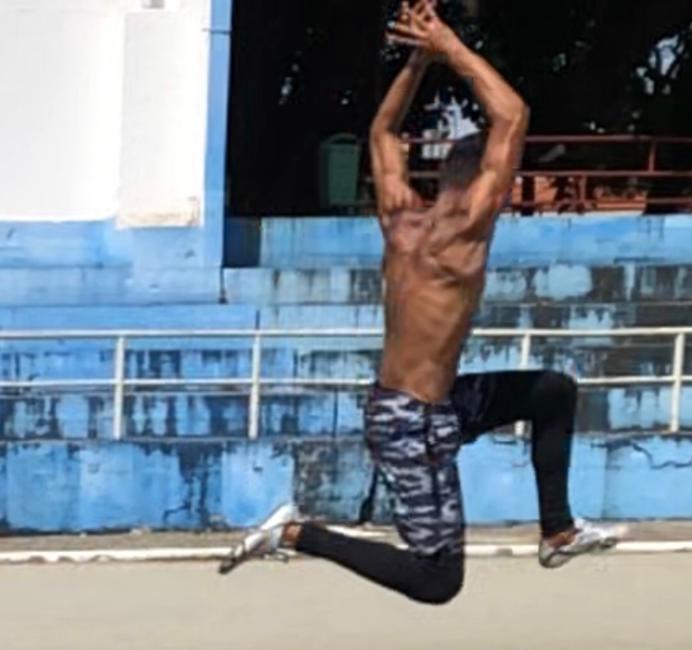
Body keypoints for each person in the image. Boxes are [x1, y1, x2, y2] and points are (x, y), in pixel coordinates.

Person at [219, 0, 621, 601]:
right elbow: (513, 114)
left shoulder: (401, 219)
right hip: (414, 422)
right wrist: (448, 45)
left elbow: (382, 133)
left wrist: (417, 61)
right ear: (486, 183)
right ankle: (297, 533)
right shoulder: (465, 232)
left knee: (552, 391)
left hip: (434, 405)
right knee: (437, 581)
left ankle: (558, 530)